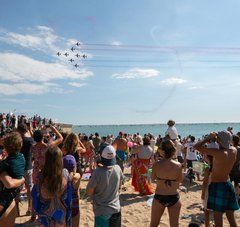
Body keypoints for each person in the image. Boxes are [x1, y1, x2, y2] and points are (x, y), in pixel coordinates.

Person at [194, 131, 239, 227]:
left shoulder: (218, 153)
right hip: (228, 184)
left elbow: (196, 147)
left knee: (218, 218)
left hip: (217, 186)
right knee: (231, 217)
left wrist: (208, 138)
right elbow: (228, 145)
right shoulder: (234, 150)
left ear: (219, 140)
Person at [31, 146, 72, 226]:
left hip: (44, 216)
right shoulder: (65, 174)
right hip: (61, 216)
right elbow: (69, 199)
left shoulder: (40, 177)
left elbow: (35, 197)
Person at [86, 145, 123, 227]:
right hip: (116, 208)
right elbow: (119, 187)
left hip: (102, 210)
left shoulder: (97, 172)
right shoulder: (118, 168)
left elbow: (89, 192)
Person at [150, 140, 182, 227]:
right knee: (174, 225)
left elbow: (152, 179)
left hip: (160, 195)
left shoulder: (156, 165)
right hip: (173, 196)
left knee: (154, 224)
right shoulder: (178, 165)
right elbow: (179, 181)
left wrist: (161, 179)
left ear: (163, 150)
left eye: (160, 148)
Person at [0, 132, 25, 218]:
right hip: (14, 195)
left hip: (4, 198)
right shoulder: (22, 157)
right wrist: (22, 180)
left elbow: (9, 184)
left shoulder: (4, 164)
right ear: (20, 145)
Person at [17, 123, 34, 215]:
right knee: (29, 188)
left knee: (17, 189)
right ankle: (30, 209)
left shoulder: (18, 141)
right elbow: (35, 141)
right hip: (28, 166)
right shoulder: (30, 140)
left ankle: (17, 210)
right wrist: (30, 130)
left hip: (19, 167)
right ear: (26, 130)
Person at [63, 155, 81, 227]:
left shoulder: (60, 179)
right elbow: (78, 194)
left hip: (64, 206)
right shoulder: (77, 177)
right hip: (74, 205)